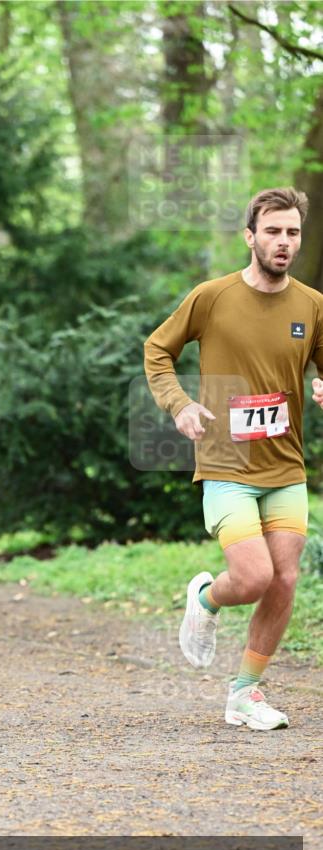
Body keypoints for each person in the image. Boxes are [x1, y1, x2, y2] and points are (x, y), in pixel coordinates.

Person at [144, 187, 323, 731]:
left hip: (285, 464)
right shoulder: (212, 297)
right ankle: (206, 595)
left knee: (286, 579)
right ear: (250, 237)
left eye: (292, 232)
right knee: (252, 578)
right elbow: (158, 350)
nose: (283, 242)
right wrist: (179, 405)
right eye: (273, 231)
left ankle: (245, 692)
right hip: (226, 464)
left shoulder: (312, 305)